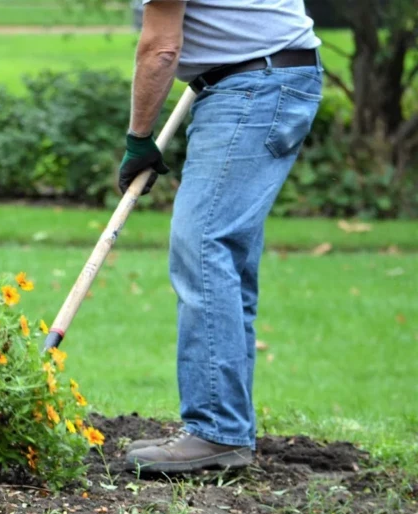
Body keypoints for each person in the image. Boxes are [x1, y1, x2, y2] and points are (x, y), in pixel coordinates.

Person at [118, 0, 323, 473]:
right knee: (224, 260)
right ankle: (225, 428)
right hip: (269, 76)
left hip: (253, 87)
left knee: (204, 247)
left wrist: (138, 140)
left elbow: (160, 48)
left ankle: (216, 431)